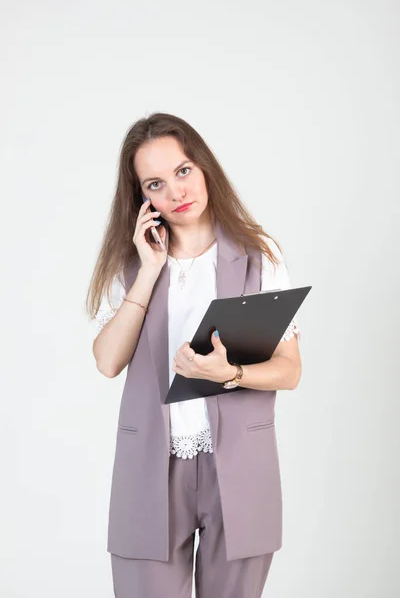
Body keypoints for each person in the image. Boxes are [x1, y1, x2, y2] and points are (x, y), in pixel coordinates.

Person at [86, 112, 302, 598]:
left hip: (239, 467)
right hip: (151, 469)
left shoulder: (256, 252)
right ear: (141, 197)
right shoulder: (130, 263)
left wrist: (233, 373)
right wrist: (149, 269)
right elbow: (107, 361)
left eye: (183, 171)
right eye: (156, 183)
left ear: (204, 167)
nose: (176, 192)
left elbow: (290, 371)